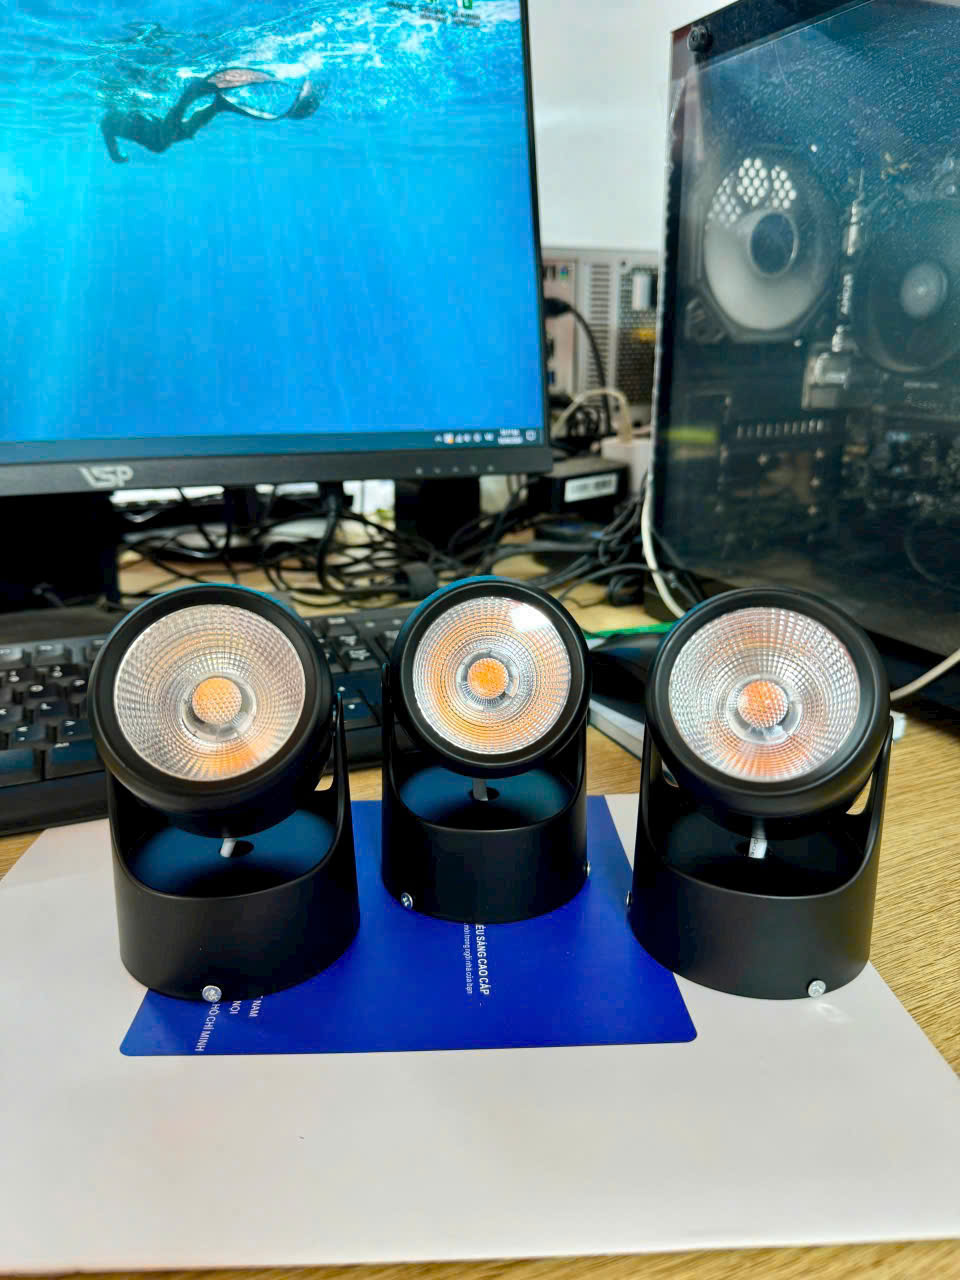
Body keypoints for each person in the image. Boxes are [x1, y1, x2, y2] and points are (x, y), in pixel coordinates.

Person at [100, 67, 321, 164]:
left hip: (160, 134)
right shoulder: (109, 122)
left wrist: (119, 157)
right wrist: (118, 156)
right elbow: (114, 151)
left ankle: (196, 100)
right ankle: (212, 104)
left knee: (172, 135)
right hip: (158, 135)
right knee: (178, 131)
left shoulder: (110, 121)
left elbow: (114, 151)